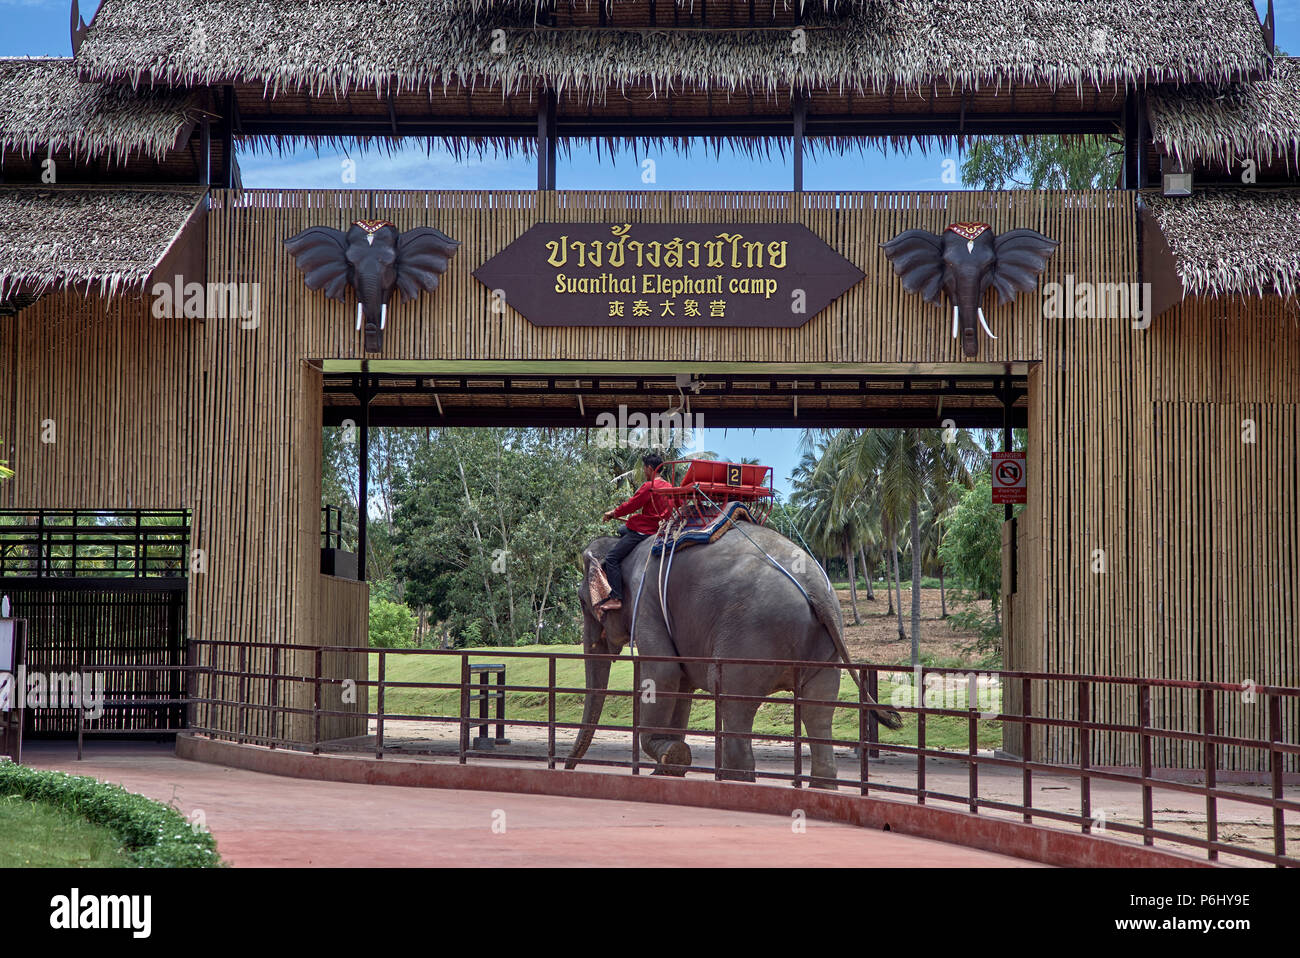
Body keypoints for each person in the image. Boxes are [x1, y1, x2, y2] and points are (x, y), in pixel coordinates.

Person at [597, 454, 672, 611]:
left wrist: (613, 513)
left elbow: (632, 505)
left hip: (646, 529)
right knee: (621, 529)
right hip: (663, 527)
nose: (644, 471)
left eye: (645, 468)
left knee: (611, 558)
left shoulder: (649, 486)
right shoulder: (670, 487)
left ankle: (616, 597)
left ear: (650, 468)